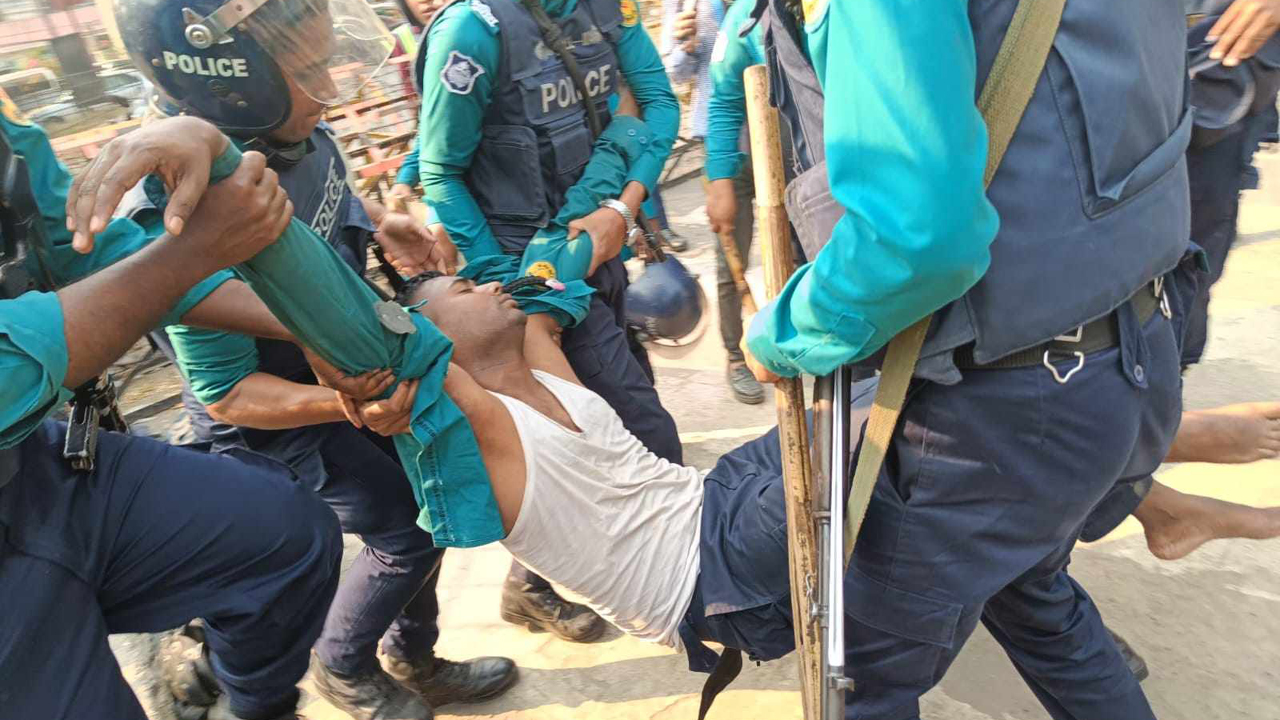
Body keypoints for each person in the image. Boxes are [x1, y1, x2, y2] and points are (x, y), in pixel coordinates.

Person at [734, 0, 1192, 718]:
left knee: (861, 679)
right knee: (1032, 594)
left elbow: (916, 234)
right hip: (1129, 348)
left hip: (1001, 410)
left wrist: (784, 334)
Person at [109, 0, 515, 717]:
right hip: (276, 415)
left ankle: (412, 654)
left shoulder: (286, 131)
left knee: (432, 504)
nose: (328, 89)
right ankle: (343, 664)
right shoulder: (188, 207)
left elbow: (327, 207)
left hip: (351, 373)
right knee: (401, 529)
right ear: (230, 83)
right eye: (309, 70)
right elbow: (229, 391)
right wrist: (346, 404)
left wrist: (381, 222)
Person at [0, 106, 343, 720]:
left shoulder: (8, 136)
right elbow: (221, 383)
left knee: (290, 535)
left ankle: (256, 707)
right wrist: (193, 253)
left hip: (31, 462)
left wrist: (322, 327)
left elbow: (87, 251)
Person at [413, 0, 683, 641]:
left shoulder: (606, 8)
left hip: (601, 243)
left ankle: (529, 584)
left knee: (612, 417)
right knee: (638, 428)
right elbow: (439, 173)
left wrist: (623, 207)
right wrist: (515, 288)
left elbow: (659, 104)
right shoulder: (473, 32)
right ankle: (670, 585)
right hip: (532, 270)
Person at [701, 0, 763, 404]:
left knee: (800, 257)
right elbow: (722, 103)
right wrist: (720, 180)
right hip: (736, 163)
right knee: (731, 267)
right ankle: (736, 356)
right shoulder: (738, 17)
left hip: (793, 162)